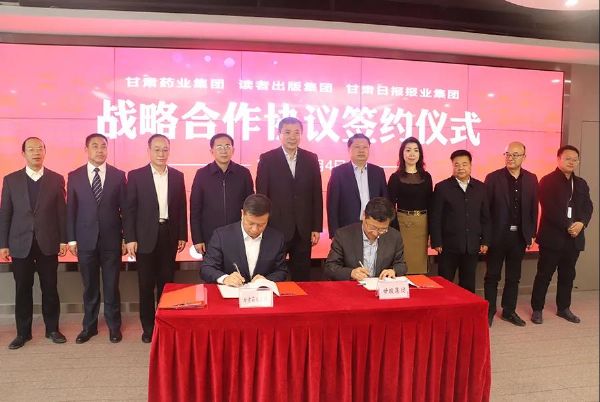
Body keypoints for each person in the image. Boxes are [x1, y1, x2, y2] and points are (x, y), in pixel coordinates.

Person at [0, 137, 68, 349]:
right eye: (31, 149)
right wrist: (3, 244)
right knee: (22, 288)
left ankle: (52, 329)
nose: (36, 152)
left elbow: (61, 213)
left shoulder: (56, 179)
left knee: (50, 287)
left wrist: (63, 240)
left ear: (45, 152)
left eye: (39, 148)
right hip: (20, 243)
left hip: (48, 241)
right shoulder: (10, 180)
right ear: (23, 154)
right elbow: (5, 214)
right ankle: (23, 333)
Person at [124, 134, 187, 343]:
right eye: (157, 149)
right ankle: (148, 328)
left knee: (167, 283)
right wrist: (130, 237)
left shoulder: (177, 176)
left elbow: (181, 207)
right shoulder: (136, 176)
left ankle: (165, 324)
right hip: (144, 237)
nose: (161, 153)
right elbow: (129, 210)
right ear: (149, 150)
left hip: (169, 233)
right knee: (145, 284)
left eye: (165, 149)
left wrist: (182, 234)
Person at [66, 133, 127, 343]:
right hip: (85, 240)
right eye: (95, 146)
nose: (100, 150)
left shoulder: (118, 175)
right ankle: (89, 327)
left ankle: (114, 326)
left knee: (111, 286)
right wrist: (71, 239)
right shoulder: (74, 176)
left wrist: (126, 237)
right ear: (86, 149)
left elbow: (125, 210)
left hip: (112, 240)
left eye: (103, 146)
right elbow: (71, 210)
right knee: (90, 286)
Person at [530, 145, 593, 325]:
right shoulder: (547, 181)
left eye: (575, 159)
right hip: (553, 238)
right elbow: (548, 207)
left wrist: (581, 223)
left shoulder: (581, 183)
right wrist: (568, 225)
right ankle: (537, 309)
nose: (571, 162)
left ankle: (563, 308)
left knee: (568, 275)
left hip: (574, 238)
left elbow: (588, 206)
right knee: (544, 275)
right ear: (558, 159)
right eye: (568, 158)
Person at [256, 117, 323, 281]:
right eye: (287, 132)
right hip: (275, 227)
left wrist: (316, 227)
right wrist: (263, 225)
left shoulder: (311, 159)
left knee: (302, 275)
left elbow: (316, 194)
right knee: (272, 273)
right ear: (279, 134)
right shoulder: (267, 159)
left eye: (296, 133)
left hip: (303, 229)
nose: (292, 137)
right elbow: (262, 195)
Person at [484, 142, 538, 327]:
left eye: (515, 155)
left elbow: (533, 208)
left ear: (524, 157)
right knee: (492, 276)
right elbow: (486, 210)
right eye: (508, 154)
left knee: (514, 277)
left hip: (519, 236)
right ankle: (489, 311)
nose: (510, 158)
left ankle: (509, 311)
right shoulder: (493, 178)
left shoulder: (531, 178)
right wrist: (485, 236)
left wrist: (531, 232)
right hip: (497, 235)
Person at [430, 149, 491, 293]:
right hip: (448, 245)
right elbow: (436, 216)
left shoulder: (481, 188)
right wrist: (436, 241)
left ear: (470, 165)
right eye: (456, 165)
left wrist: (485, 241)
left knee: (468, 284)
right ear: (452, 166)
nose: (461, 168)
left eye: (464, 164)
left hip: (472, 245)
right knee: (445, 283)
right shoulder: (442, 188)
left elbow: (485, 217)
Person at [200, 194, 287, 285]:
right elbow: (206, 269)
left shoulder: (276, 238)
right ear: (242, 214)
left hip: (262, 292)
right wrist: (225, 278)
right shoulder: (222, 236)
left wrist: (267, 280)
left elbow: (281, 271)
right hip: (231, 291)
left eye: (261, 225)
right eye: (250, 223)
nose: (255, 229)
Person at [190, 133, 253, 256]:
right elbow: (195, 209)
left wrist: (251, 233)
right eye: (219, 147)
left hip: (237, 236)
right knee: (212, 268)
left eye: (227, 146)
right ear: (211, 151)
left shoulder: (243, 173)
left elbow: (250, 207)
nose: (224, 150)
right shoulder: (202, 174)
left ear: (233, 150)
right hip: (210, 236)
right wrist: (197, 239)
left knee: (237, 268)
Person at [325, 197, 407, 281]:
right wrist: (351, 273)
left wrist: (393, 271)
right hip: (353, 286)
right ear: (364, 216)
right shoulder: (343, 235)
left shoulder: (394, 236)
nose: (375, 233)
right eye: (372, 227)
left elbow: (401, 265)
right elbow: (330, 267)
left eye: (382, 229)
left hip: (380, 285)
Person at [326, 133, 387, 239]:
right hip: (347, 227)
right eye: (357, 147)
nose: (361, 150)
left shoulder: (378, 172)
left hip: (374, 227)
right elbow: (332, 205)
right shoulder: (338, 172)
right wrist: (334, 233)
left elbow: (385, 200)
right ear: (349, 149)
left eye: (365, 147)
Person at [387, 137, 433, 274]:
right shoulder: (395, 177)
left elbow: (431, 204)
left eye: (415, 150)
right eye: (408, 150)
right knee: (402, 261)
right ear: (402, 153)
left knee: (419, 264)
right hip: (402, 223)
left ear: (420, 154)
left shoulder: (426, 177)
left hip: (422, 224)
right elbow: (390, 205)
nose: (412, 154)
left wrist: (432, 232)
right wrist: (394, 228)